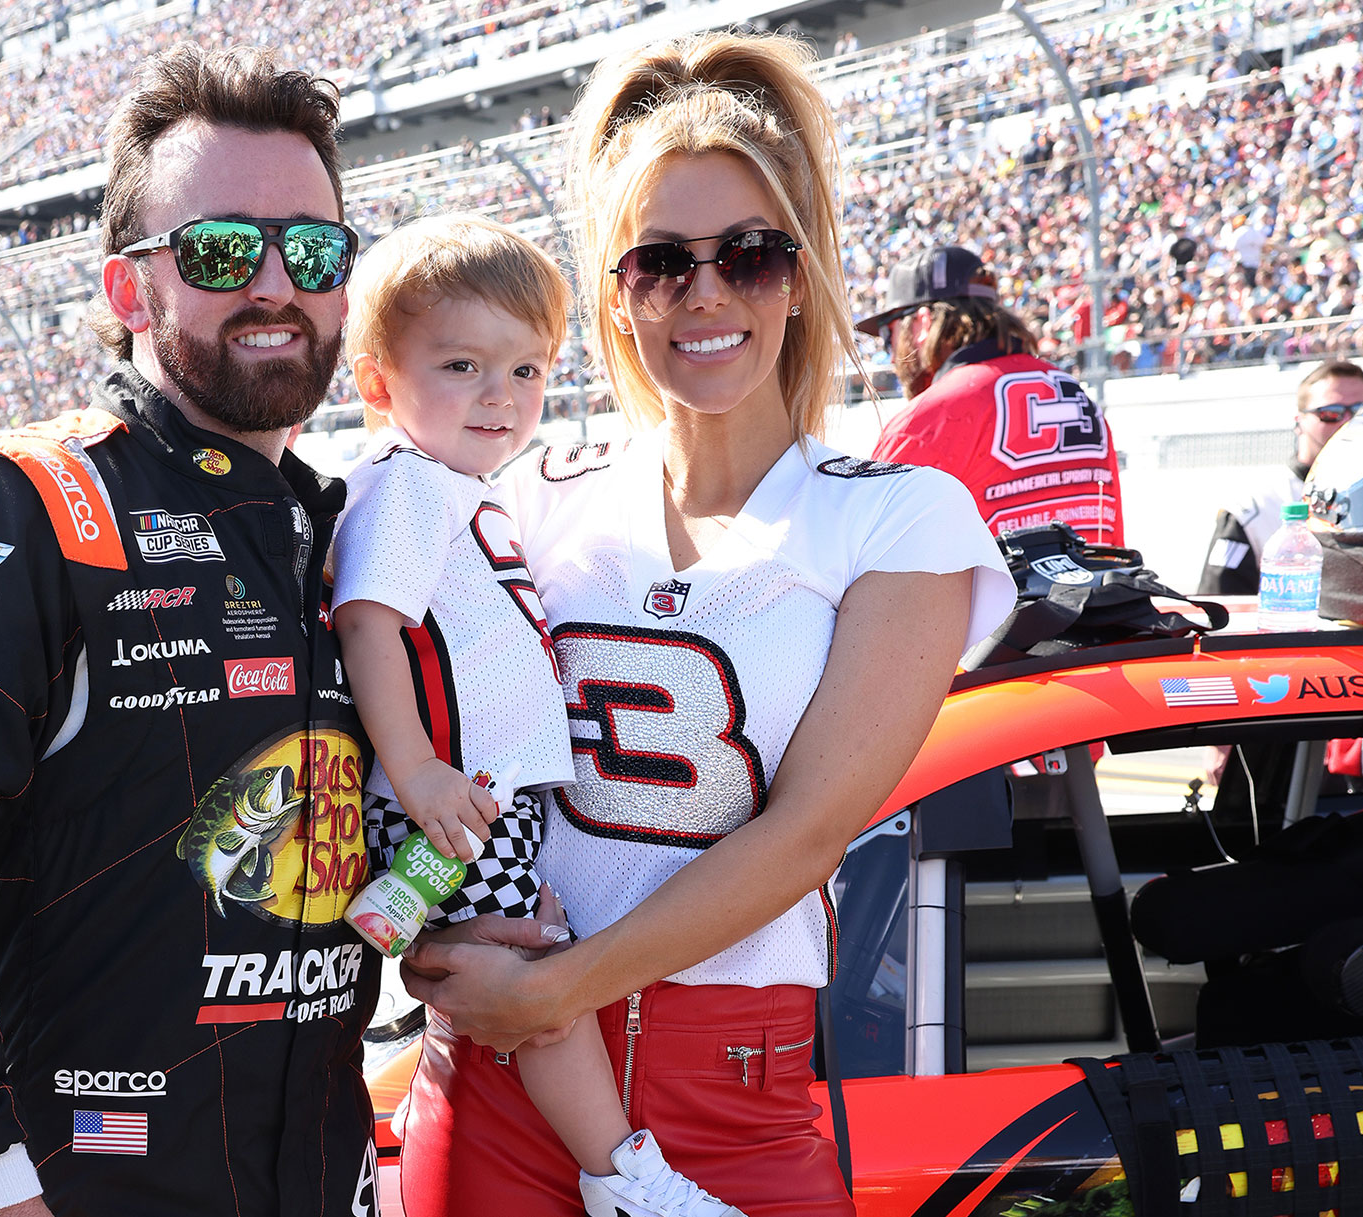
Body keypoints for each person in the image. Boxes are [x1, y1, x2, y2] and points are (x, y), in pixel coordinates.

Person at [395, 33, 1016, 1217]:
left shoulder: (900, 518)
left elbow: (806, 835)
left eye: (750, 253)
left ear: (803, 266)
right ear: (615, 292)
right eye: (660, 263)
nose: (707, 292)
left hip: (732, 1097)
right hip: (495, 1081)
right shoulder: (520, 497)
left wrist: (559, 989)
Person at [0, 46, 387, 1217]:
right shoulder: (20, 506)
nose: (276, 284)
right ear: (130, 292)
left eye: (313, 251)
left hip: (324, 1174)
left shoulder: (351, 532)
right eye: (222, 250)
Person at [332, 215, 738, 1216]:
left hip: (473, 799)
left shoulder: (456, 488)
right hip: (458, 798)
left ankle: (385, 913)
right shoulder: (409, 492)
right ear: (379, 382)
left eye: (524, 370)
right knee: (536, 982)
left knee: (512, 958)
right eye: (462, 364)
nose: (498, 396)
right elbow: (368, 628)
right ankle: (623, 1177)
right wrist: (418, 770)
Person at [858, 245, 1127, 546]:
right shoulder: (1077, 395)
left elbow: (872, 559)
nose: (891, 352)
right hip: (1096, 588)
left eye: (887, 335)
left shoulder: (929, 417)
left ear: (921, 322)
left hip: (1003, 592)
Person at [1197, 359, 1363, 594]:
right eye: (1330, 413)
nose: (1348, 423)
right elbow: (1221, 611)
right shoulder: (1254, 508)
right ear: (1300, 422)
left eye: (1359, 412)